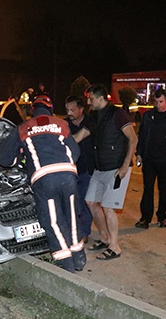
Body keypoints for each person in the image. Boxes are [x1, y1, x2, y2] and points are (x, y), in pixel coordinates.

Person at [0, 95, 86, 273]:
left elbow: (4, 159)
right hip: (68, 176)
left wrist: (22, 160)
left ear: (32, 109)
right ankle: (79, 258)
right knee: (72, 216)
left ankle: (66, 264)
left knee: (53, 221)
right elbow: (75, 152)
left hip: (44, 178)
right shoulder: (62, 125)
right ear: (50, 109)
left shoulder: (23, 128)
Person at [76, 84, 137, 261]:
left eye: (91, 98)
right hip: (100, 168)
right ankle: (104, 237)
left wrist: (125, 165)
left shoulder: (117, 114)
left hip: (117, 168)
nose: (88, 101)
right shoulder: (93, 116)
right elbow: (79, 137)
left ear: (101, 98)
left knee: (108, 207)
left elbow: (133, 138)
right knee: (90, 201)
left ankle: (114, 247)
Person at [135, 89, 166, 229]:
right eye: (156, 102)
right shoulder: (148, 117)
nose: (158, 105)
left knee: (164, 190)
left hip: (165, 160)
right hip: (149, 159)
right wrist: (139, 153)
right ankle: (145, 218)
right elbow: (142, 136)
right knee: (148, 189)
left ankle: (161, 217)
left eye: (161, 102)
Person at [65, 95, 95, 243]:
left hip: (87, 170)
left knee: (84, 201)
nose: (69, 112)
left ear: (81, 109)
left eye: (72, 109)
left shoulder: (91, 122)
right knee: (71, 202)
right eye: (67, 109)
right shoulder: (64, 125)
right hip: (69, 171)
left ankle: (84, 232)